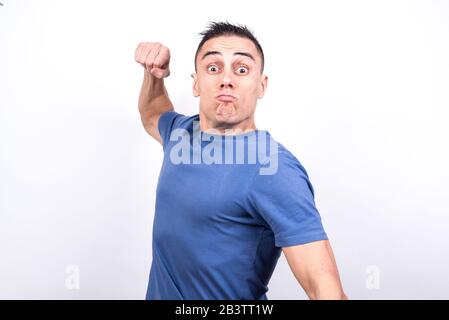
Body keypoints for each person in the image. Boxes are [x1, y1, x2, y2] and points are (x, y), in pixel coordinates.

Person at [135, 21, 347, 300]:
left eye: (242, 69)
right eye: (213, 68)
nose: (226, 79)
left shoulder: (273, 168)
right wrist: (154, 75)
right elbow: (152, 114)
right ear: (196, 83)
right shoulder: (179, 134)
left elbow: (324, 289)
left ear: (261, 86)